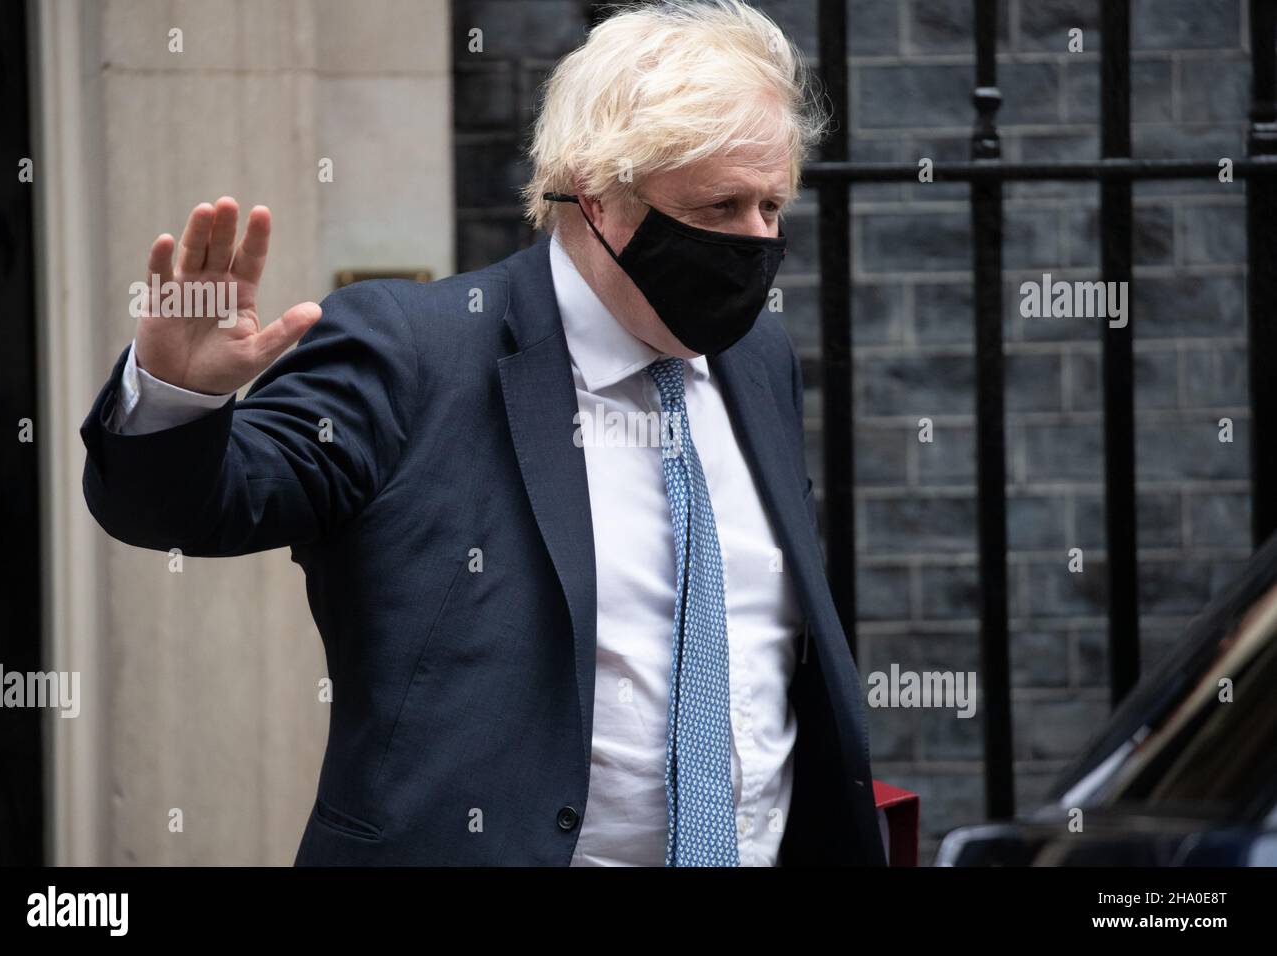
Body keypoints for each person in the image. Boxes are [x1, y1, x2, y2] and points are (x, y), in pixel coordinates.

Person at [79, 0, 886, 866]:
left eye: (772, 206)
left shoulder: (754, 355)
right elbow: (202, 509)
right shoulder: (413, 347)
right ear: (596, 192)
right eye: (722, 206)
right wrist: (175, 400)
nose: (758, 242)